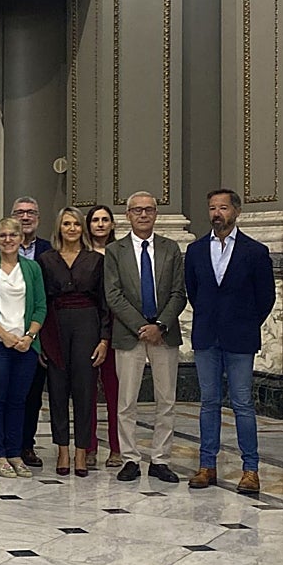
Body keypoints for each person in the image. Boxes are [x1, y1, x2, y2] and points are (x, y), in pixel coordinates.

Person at [185, 189, 276, 495]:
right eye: (212, 208)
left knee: (242, 403)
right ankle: (206, 465)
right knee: (208, 403)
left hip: (241, 338)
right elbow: (194, 292)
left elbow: (266, 297)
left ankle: (250, 469)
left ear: (236, 211)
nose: (217, 213)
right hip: (207, 336)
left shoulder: (255, 251)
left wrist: (243, 322)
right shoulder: (196, 250)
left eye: (223, 208)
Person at [103, 191, 186, 484]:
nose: (142, 215)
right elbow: (113, 294)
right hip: (129, 335)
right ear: (128, 215)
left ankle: (161, 460)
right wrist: (142, 326)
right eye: (137, 210)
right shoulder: (115, 251)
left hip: (164, 335)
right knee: (127, 401)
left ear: (155, 214)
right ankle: (130, 458)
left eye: (148, 210)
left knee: (166, 399)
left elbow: (179, 293)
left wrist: (160, 325)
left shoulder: (170, 248)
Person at [37, 208, 110, 478]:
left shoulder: (95, 260)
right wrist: (41, 340)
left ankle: (82, 450)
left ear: (83, 228)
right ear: (59, 228)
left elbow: (104, 302)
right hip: (55, 326)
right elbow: (41, 300)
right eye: (66, 224)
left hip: (87, 325)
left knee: (84, 389)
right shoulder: (46, 259)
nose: (71, 229)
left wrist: (104, 339)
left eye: (76, 224)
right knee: (57, 391)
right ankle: (62, 449)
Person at [0, 197, 53, 470]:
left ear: (20, 237)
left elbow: (41, 305)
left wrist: (30, 337)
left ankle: (15, 452)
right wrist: (3, 334)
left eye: (12, 234)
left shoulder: (33, 267)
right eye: (3, 235)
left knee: (19, 401)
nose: (8, 239)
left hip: (26, 346)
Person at [87, 204, 122, 468]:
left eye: (105, 219)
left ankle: (116, 447)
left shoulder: (120, 253)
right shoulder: (82, 254)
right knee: (87, 392)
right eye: (95, 220)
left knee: (115, 392)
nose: (100, 224)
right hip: (87, 328)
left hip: (117, 328)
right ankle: (88, 446)